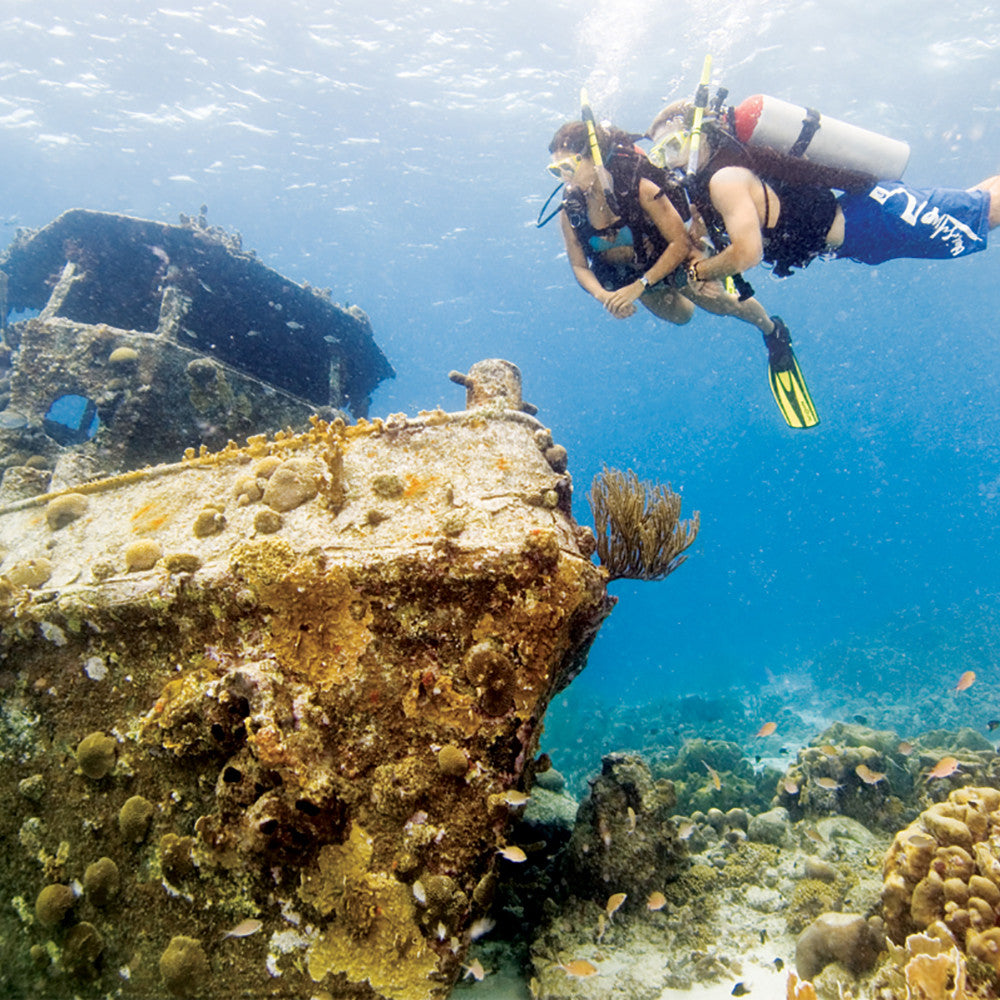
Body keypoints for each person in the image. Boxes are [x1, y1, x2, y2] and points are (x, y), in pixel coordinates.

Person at [546, 119, 819, 427]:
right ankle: (709, 267)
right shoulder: (571, 211)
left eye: (568, 166)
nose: (564, 178)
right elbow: (580, 266)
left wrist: (642, 284)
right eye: (556, 171)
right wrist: (605, 296)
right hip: (632, 279)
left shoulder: (640, 188)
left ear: (593, 158)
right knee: (681, 317)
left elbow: (678, 240)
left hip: (670, 261)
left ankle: (772, 331)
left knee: (723, 305)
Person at [647, 101, 1000, 287]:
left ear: (702, 136)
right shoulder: (715, 181)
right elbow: (704, 230)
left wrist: (701, 272)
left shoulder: (725, 180)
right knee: (976, 208)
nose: (673, 160)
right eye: (662, 154)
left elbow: (747, 253)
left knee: (984, 213)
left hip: (875, 220)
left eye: (675, 145)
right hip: (867, 225)